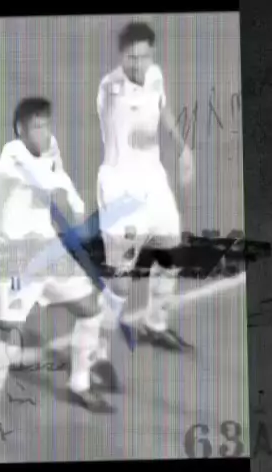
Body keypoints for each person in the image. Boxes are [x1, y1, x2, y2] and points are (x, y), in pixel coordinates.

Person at [0, 97, 116, 450]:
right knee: (9, 339)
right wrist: (75, 201)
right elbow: (46, 180)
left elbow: (55, 182)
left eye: (47, 124)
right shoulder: (11, 156)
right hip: (17, 259)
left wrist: (72, 205)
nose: (44, 132)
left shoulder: (50, 147)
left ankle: (79, 383)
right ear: (20, 129)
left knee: (91, 309)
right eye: (36, 126)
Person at [95, 21, 195, 352]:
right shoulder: (111, 90)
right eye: (131, 58)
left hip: (153, 181)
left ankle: (155, 324)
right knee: (121, 283)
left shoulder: (154, 74)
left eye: (144, 57)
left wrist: (182, 148)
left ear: (152, 54)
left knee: (170, 251)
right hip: (121, 191)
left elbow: (161, 107)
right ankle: (95, 351)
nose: (138, 65)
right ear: (120, 55)